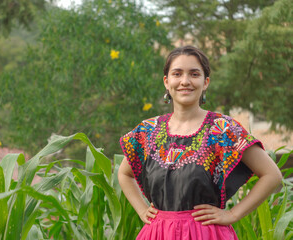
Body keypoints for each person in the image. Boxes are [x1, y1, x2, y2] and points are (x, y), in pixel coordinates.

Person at [118, 46, 282, 239]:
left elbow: (272, 175)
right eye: (177, 74)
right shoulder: (148, 130)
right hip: (157, 233)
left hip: (206, 233)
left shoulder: (223, 129)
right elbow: (124, 173)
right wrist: (141, 210)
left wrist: (232, 214)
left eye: (194, 74)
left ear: (205, 82)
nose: (185, 81)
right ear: (166, 81)